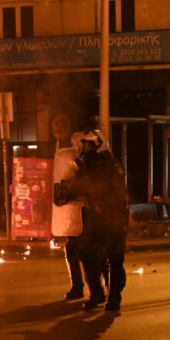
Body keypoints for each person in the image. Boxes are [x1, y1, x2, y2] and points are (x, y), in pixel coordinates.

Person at [59, 129, 128, 312]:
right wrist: (65, 195)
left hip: (114, 218)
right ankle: (96, 293)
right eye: (83, 144)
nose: (84, 148)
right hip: (96, 219)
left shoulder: (111, 166)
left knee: (115, 259)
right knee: (84, 249)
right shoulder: (87, 166)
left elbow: (118, 193)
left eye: (88, 144)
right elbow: (80, 186)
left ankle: (114, 297)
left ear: (98, 146)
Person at [52, 133, 86, 300]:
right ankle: (84, 288)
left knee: (88, 254)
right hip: (76, 217)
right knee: (74, 250)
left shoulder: (91, 165)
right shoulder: (78, 163)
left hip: (90, 218)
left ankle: (89, 290)